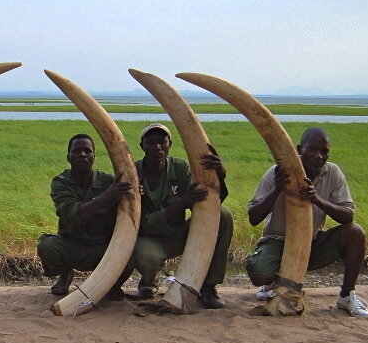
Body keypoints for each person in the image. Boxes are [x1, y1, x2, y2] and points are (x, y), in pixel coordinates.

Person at [246, 127, 368, 317]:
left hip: (310, 243)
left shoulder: (333, 173)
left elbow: (347, 215)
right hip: (277, 241)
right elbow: (254, 217)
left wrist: (317, 200)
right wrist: (278, 188)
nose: (319, 156)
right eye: (312, 150)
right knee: (259, 272)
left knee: (355, 233)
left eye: (324, 151)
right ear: (298, 150)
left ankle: (347, 295)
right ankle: (271, 283)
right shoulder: (276, 173)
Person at [121, 123, 233, 309]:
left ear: (169, 144)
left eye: (162, 142)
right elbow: (139, 223)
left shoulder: (180, 169)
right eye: (151, 142)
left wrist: (219, 174)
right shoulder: (133, 172)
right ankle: (148, 279)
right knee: (148, 258)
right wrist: (181, 204)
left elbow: (211, 203)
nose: (157, 147)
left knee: (223, 216)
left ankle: (208, 286)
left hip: (178, 234)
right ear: (142, 146)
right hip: (147, 238)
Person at [37, 134, 133, 300]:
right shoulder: (61, 182)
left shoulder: (109, 181)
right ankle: (66, 272)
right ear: (68, 157)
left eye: (87, 151)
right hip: (72, 244)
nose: (82, 154)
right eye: (77, 151)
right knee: (46, 246)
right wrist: (106, 196)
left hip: (102, 247)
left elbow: (131, 209)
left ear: (94, 156)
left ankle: (112, 284)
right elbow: (74, 215)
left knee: (131, 252)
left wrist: (137, 193)